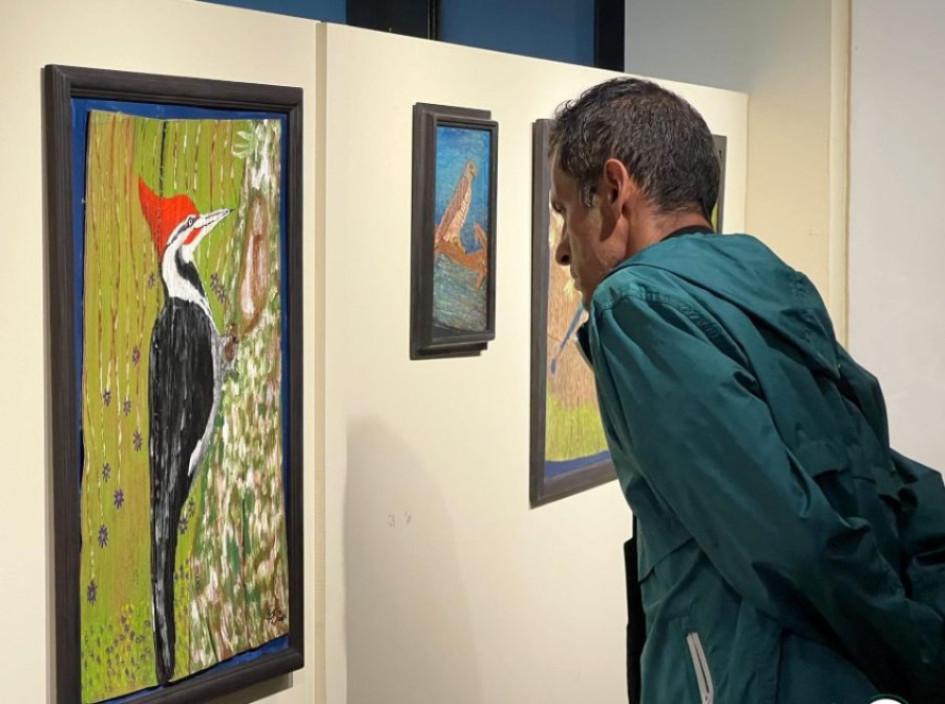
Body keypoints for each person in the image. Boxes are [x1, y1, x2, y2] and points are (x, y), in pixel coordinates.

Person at [549, 77, 945, 704]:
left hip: (752, 676)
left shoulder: (636, 304)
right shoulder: (773, 282)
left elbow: (785, 535)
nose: (564, 249)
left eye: (566, 210)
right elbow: (877, 477)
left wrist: (922, 658)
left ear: (616, 190)